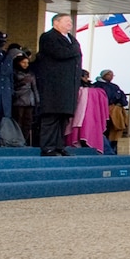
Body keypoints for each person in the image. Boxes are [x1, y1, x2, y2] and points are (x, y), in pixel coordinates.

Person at [31, 13, 83, 157]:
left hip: (68, 88)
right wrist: (74, 50)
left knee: (63, 119)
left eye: (70, 21)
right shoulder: (49, 37)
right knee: (51, 118)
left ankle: (59, 146)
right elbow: (60, 53)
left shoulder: (72, 39)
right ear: (56, 23)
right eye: (66, 21)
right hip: (53, 87)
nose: (70, 24)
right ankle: (47, 147)